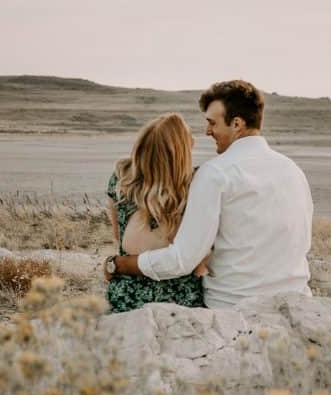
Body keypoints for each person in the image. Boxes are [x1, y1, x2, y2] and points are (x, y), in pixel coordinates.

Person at [104, 80, 314, 309]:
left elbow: (181, 260)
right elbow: (302, 242)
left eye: (212, 123)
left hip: (233, 303)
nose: (207, 131)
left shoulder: (215, 173)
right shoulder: (293, 170)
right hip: (295, 300)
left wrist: (119, 264)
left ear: (236, 124)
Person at [105, 112, 207, 313]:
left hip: (126, 296)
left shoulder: (121, 178)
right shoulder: (197, 183)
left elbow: (119, 235)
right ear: (180, 153)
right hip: (181, 300)